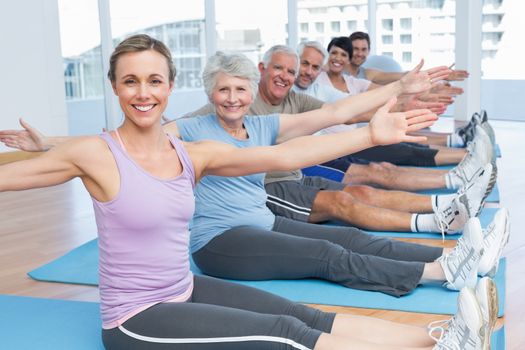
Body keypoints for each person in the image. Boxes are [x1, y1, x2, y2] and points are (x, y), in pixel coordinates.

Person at [0, 34, 500, 350]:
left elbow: (285, 157)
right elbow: (13, 176)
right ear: (114, 87)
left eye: (154, 80)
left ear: (170, 87)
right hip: (135, 319)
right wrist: (45, 143)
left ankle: (438, 340)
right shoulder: (97, 153)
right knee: (286, 335)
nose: (143, 92)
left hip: (183, 289)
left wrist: (372, 131)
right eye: (130, 81)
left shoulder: (192, 155)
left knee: (298, 313)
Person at [293, 41, 496, 192]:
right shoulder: (313, 84)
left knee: (404, 147)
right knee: (389, 164)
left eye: (346, 53)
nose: (309, 71)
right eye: (305, 64)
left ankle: (465, 159)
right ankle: (465, 162)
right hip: (337, 146)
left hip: (349, 141)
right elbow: (348, 113)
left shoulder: (348, 81)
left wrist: (406, 103)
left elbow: (361, 103)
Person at [347, 31, 495, 148]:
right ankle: (458, 139)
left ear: (368, 51)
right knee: (400, 120)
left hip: (371, 115)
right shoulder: (337, 74)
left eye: (363, 49)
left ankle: (458, 137)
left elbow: (402, 77)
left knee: (405, 117)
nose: (360, 53)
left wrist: (437, 77)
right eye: (355, 49)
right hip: (355, 121)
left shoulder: (367, 73)